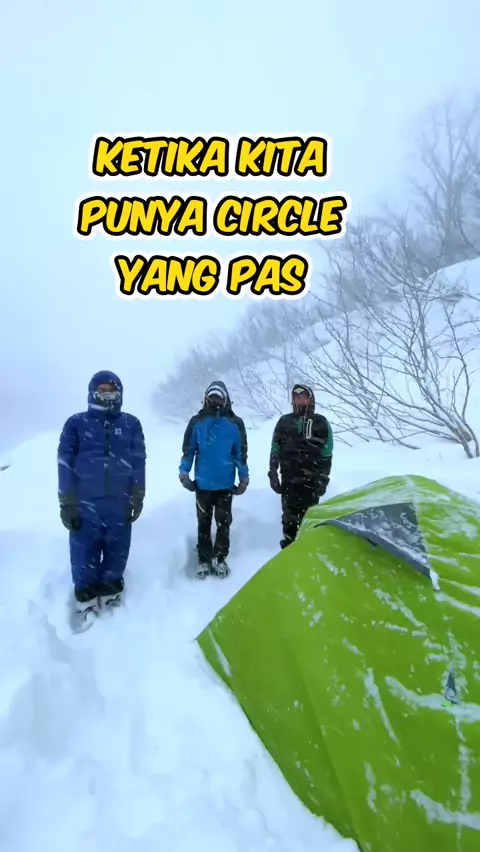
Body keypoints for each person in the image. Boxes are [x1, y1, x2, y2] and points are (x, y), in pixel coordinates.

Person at [57, 370, 146, 621]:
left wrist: (138, 494)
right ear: (93, 392)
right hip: (84, 505)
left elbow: (138, 461)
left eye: (112, 390)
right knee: (83, 553)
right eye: (102, 390)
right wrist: (67, 501)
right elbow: (64, 463)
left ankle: (110, 591)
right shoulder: (76, 424)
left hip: (119, 503)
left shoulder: (131, 424)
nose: (107, 395)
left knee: (117, 550)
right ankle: (86, 599)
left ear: (120, 393)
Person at [179, 380, 249, 578]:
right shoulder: (197, 422)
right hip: (203, 484)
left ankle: (220, 557)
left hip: (225, 484)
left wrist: (243, 476)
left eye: (219, 397)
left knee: (223, 523)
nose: (215, 401)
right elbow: (189, 450)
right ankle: (203, 559)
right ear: (206, 399)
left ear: (226, 399)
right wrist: (184, 472)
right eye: (212, 397)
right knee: (203, 523)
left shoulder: (235, 423)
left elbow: (240, 453)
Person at [268, 384, 333, 549]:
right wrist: (273, 473)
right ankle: (288, 552)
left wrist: (323, 479)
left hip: (312, 482)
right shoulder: (284, 422)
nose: (301, 400)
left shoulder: (321, 422)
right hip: (289, 481)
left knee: (309, 521)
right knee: (289, 521)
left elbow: (327, 454)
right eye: (297, 397)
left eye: (304, 397)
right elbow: (275, 449)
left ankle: (307, 552)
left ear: (310, 399)